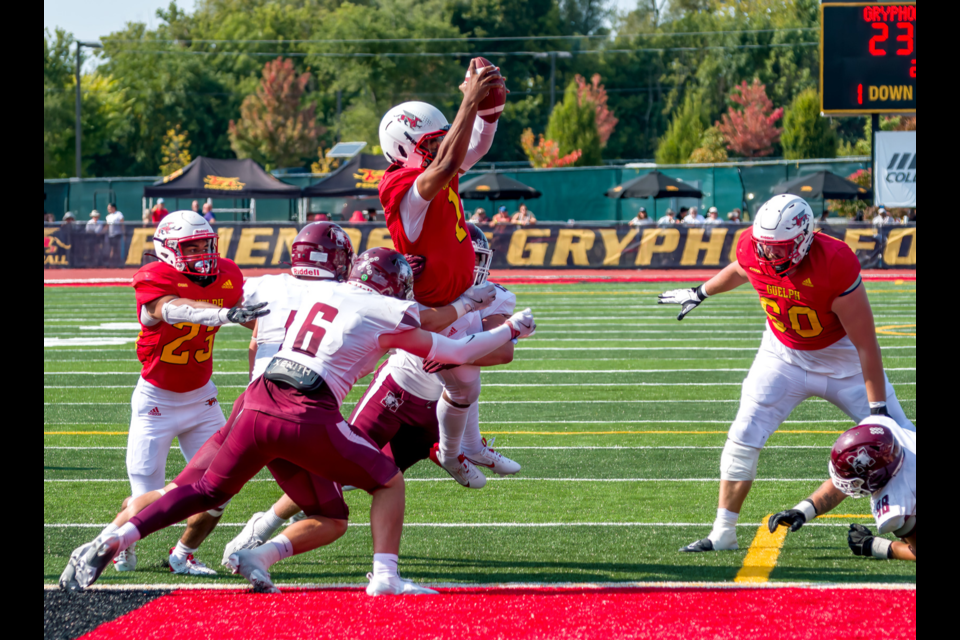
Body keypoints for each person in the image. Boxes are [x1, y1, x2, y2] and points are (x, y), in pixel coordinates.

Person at [61, 248, 536, 596]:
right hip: (307, 414)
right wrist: (511, 327)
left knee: (206, 491)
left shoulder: (307, 291)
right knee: (387, 482)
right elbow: (455, 350)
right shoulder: (384, 309)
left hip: (256, 401)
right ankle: (386, 576)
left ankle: (117, 537)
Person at [223, 223, 521, 559]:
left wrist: (457, 352)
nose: (469, 266)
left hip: (437, 405)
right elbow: (390, 297)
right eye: (464, 257)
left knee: (379, 476)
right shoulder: (423, 282)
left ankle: (452, 450)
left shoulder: (495, 295)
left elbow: (503, 351)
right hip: (396, 391)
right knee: (333, 471)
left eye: (474, 258)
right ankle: (262, 526)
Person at [658, 194, 915, 553]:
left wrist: (879, 413)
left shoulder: (835, 262)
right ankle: (723, 532)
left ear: (804, 240)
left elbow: (867, 344)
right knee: (743, 432)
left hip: (844, 363)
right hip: (782, 355)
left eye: (779, 249)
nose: (769, 256)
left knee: (902, 440)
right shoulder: (753, 246)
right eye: (765, 247)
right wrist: (701, 291)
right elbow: (741, 268)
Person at [105, 211, 266, 577]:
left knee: (221, 488)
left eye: (205, 244)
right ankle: (117, 544)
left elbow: (255, 314)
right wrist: (223, 315)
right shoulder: (155, 277)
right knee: (147, 501)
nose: (200, 253)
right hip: (156, 402)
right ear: (167, 250)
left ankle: (184, 554)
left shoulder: (227, 273)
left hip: (203, 400)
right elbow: (173, 310)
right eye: (190, 246)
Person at [378, 60, 507, 488]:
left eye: (440, 141)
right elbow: (450, 160)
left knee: (468, 386)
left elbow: (477, 145)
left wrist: (489, 113)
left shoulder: (438, 171)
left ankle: (460, 450)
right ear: (404, 149)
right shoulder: (402, 187)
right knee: (372, 442)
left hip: (459, 300)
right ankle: (450, 452)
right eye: (430, 143)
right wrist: (469, 100)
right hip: (432, 313)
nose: (439, 148)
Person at [768, 416, 916, 562]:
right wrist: (803, 511)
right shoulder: (884, 435)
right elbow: (841, 485)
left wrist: (873, 546)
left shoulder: (896, 501)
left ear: (875, 476)